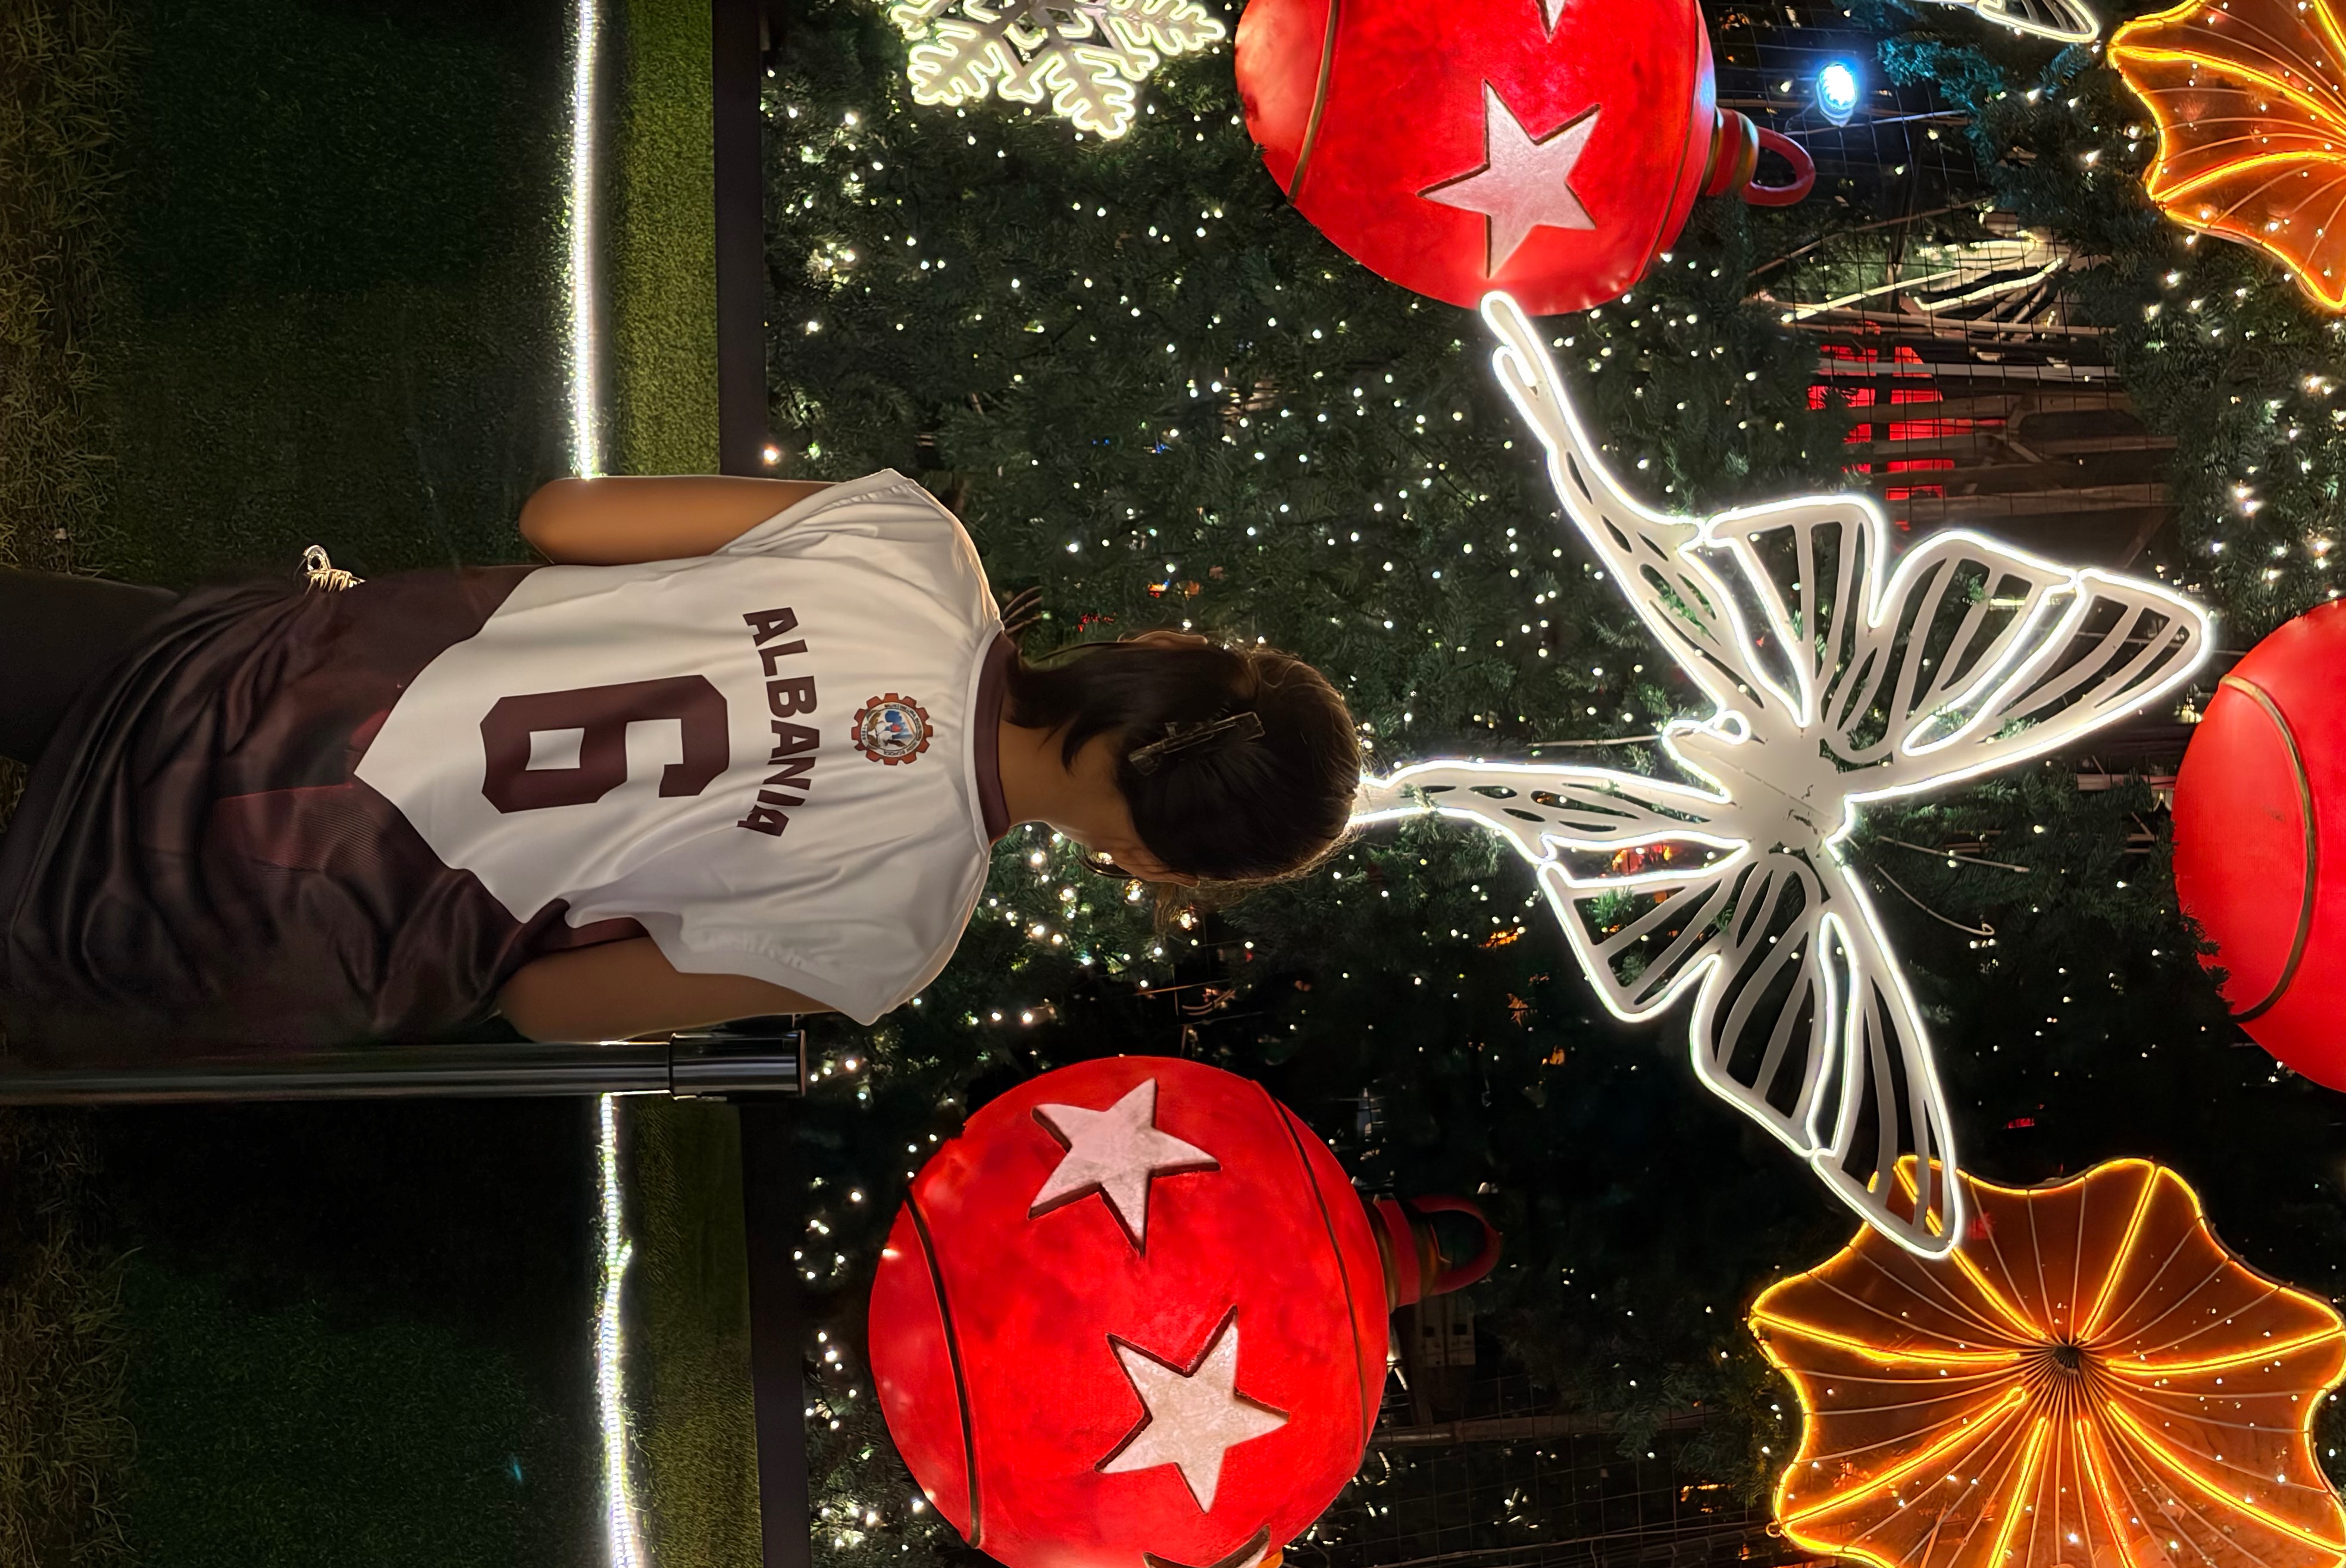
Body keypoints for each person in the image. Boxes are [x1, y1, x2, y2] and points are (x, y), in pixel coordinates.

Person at [0, 470, 1359, 1063]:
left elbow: (559, 516)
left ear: (1159, 653)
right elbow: (546, 1008)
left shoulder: (915, 548)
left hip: (282, 682)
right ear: (1153, 859)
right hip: (273, 910)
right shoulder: (895, 935)